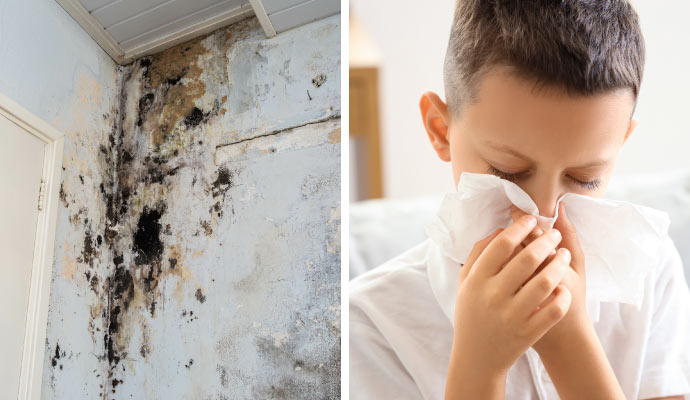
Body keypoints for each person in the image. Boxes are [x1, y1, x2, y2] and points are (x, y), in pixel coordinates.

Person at [349, 1, 690, 399]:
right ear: (441, 131)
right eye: (508, 172)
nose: (543, 214)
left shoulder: (649, 271)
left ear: (619, 147)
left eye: (585, 178)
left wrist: (570, 345)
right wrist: (479, 368)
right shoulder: (371, 324)